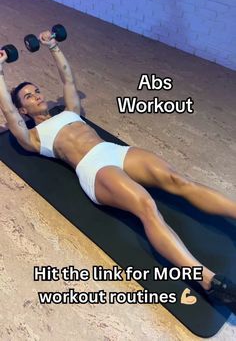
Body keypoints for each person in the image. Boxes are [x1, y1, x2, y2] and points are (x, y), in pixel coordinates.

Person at [0, 30, 235, 309]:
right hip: (93, 167)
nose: (37, 96)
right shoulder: (34, 137)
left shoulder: (69, 111)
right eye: (28, 96)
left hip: (113, 151)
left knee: (179, 180)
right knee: (146, 206)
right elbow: (9, 116)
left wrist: (53, 46)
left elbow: (68, 78)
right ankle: (208, 281)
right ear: (23, 110)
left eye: (37, 90)